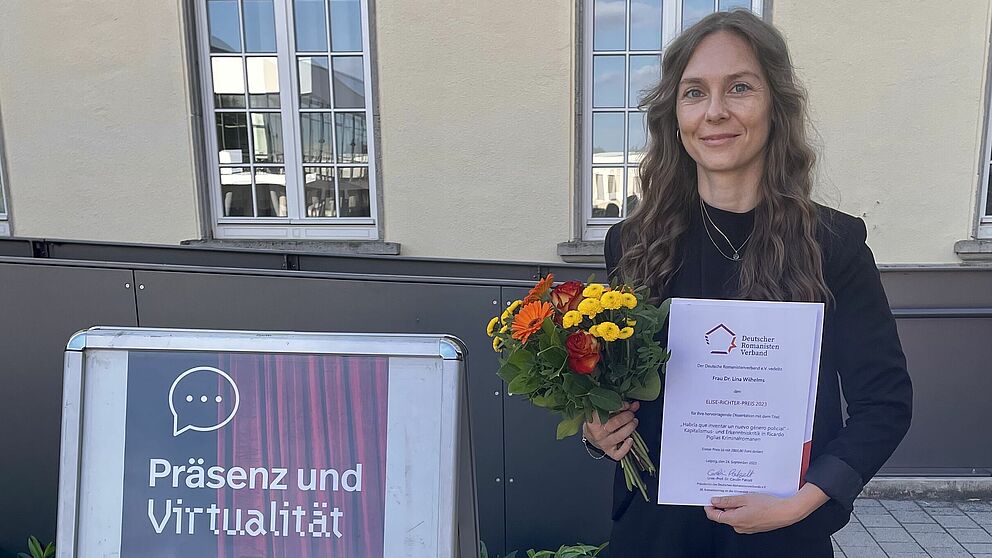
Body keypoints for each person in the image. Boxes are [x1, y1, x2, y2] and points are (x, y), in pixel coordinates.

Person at [581, 10, 913, 558]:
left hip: (781, 536)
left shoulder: (833, 245)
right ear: (674, 115)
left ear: (776, 106)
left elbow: (884, 402)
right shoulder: (632, 243)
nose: (715, 111)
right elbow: (611, 388)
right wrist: (598, 428)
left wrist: (804, 501)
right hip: (655, 534)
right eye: (694, 92)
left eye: (739, 87)